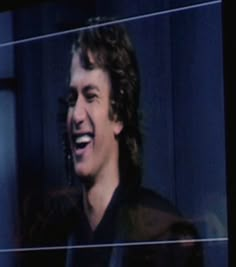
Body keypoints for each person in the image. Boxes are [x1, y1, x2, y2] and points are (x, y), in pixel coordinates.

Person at [21, 17, 203, 267]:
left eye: (91, 96)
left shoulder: (164, 236)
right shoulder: (49, 233)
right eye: (73, 99)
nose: (77, 115)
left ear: (118, 115)